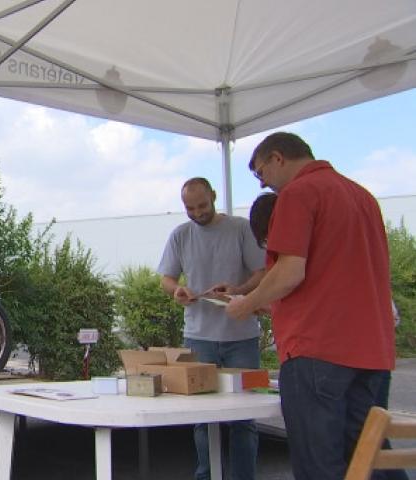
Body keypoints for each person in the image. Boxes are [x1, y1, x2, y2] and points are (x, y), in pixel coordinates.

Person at [226, 132, 397, 479]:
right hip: (371, 349)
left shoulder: (298, 193)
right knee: (367, 460)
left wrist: (247, 303)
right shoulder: (362, 196)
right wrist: (271, 304)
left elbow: (290, 272)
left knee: (319, 463)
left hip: (317, 350)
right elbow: (337, 277)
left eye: (260, 173)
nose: (263, 184)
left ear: (277, 158)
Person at [247, 190, 407, 480]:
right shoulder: (357, 217)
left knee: (325, 454)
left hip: (323, 356)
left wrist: (248, 302)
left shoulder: (301, 244)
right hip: (372, 354)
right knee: (368, 447)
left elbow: (306, 295)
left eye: (269, 241)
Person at [157, 177, 266, 480]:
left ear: (214, 196)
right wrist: (177, 290)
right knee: (202, 417)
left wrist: (238, 290)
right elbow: (166, 278)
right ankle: (206, 475)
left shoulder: (240, 228)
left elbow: (263, 272)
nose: (197, 212)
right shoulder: (180, 235)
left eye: (202, 205)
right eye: (190, 208)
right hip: (198, 337)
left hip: (241, 337)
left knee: (244, 417)